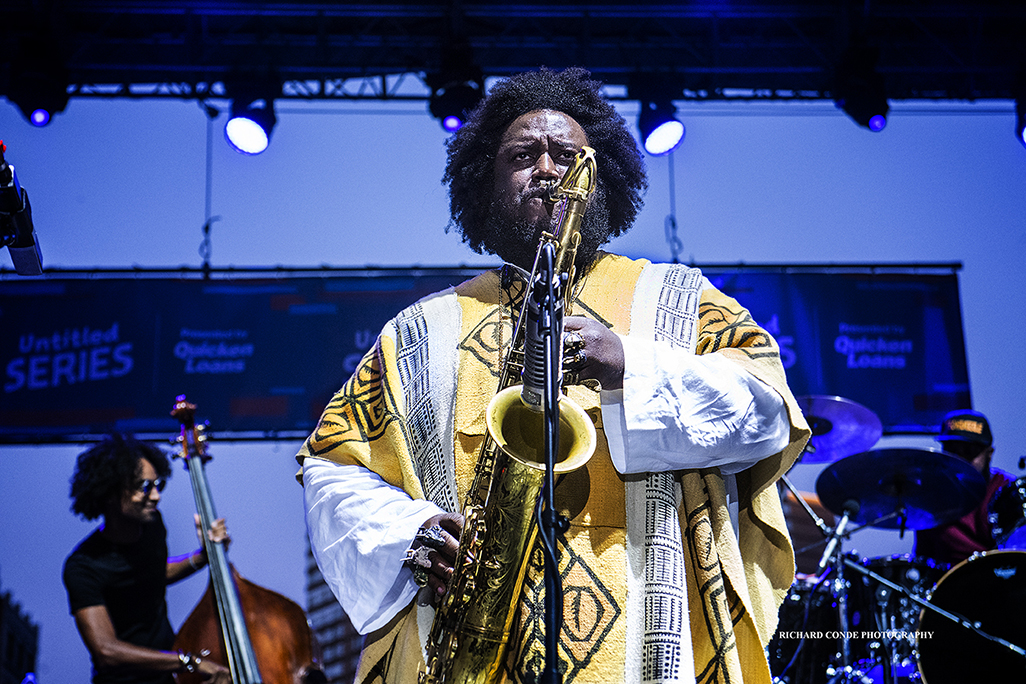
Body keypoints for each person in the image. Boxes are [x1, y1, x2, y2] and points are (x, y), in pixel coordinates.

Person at [298, 67, 811, 684]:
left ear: (600, 180)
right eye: (522, 155)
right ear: (487, 183)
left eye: (567, 155)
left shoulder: (675, 298)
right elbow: (332, 467)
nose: (547, 168)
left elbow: (769, 412)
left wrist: (630, 364)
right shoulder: (418, 333)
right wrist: (410, 535)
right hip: (468, 640)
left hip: (649, 645)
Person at [63, 433, 232, 684]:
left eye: (157, 485)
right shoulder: (83, 566)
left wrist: (204, 556)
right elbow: (106, 651)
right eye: (144, 487)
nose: (156, 497)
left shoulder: (153, 526)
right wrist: (188, 661)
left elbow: (153, 573)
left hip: (167, 675)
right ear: (111, 492)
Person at [914, 409, 1014, 566]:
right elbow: (924, 560)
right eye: (952, 452)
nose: (960, 461)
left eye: (969, 452)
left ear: (989, 453)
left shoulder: (1007, 491)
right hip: (949, 584)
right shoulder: (931, 496)